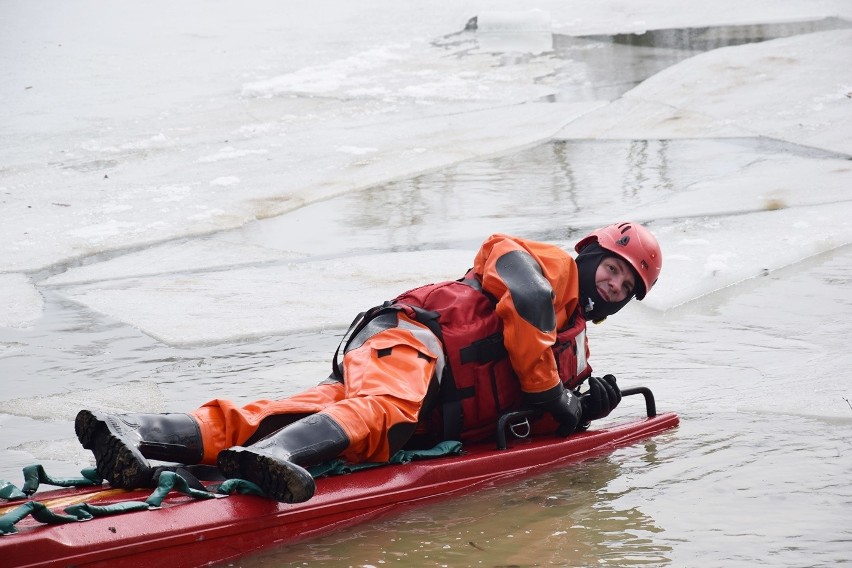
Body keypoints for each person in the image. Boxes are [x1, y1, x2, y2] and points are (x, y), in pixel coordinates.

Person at [75, 221, 662, 504]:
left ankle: (135, 431)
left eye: (624, 286)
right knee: (383, 406)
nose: (611, 284)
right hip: (413, 341)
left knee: (296, 412)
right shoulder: (541, 265)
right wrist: (559, 397)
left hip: (419, 387)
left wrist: (582, 407)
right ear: (589, 254)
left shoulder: (571, 343)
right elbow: (525, 303)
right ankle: (274, 458)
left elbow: (538, 408)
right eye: (611, 268)